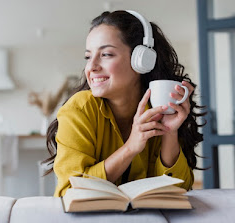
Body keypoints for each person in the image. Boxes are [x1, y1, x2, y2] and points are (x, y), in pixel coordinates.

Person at [44, 10, 206, 197]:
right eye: (88, 56)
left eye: (106, 54)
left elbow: (177, 191)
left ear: (142, 60)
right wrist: (131, 147)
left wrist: (170, 132)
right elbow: (69, 191)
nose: (92, 66)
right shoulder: (78, 109)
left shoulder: (158, 109)